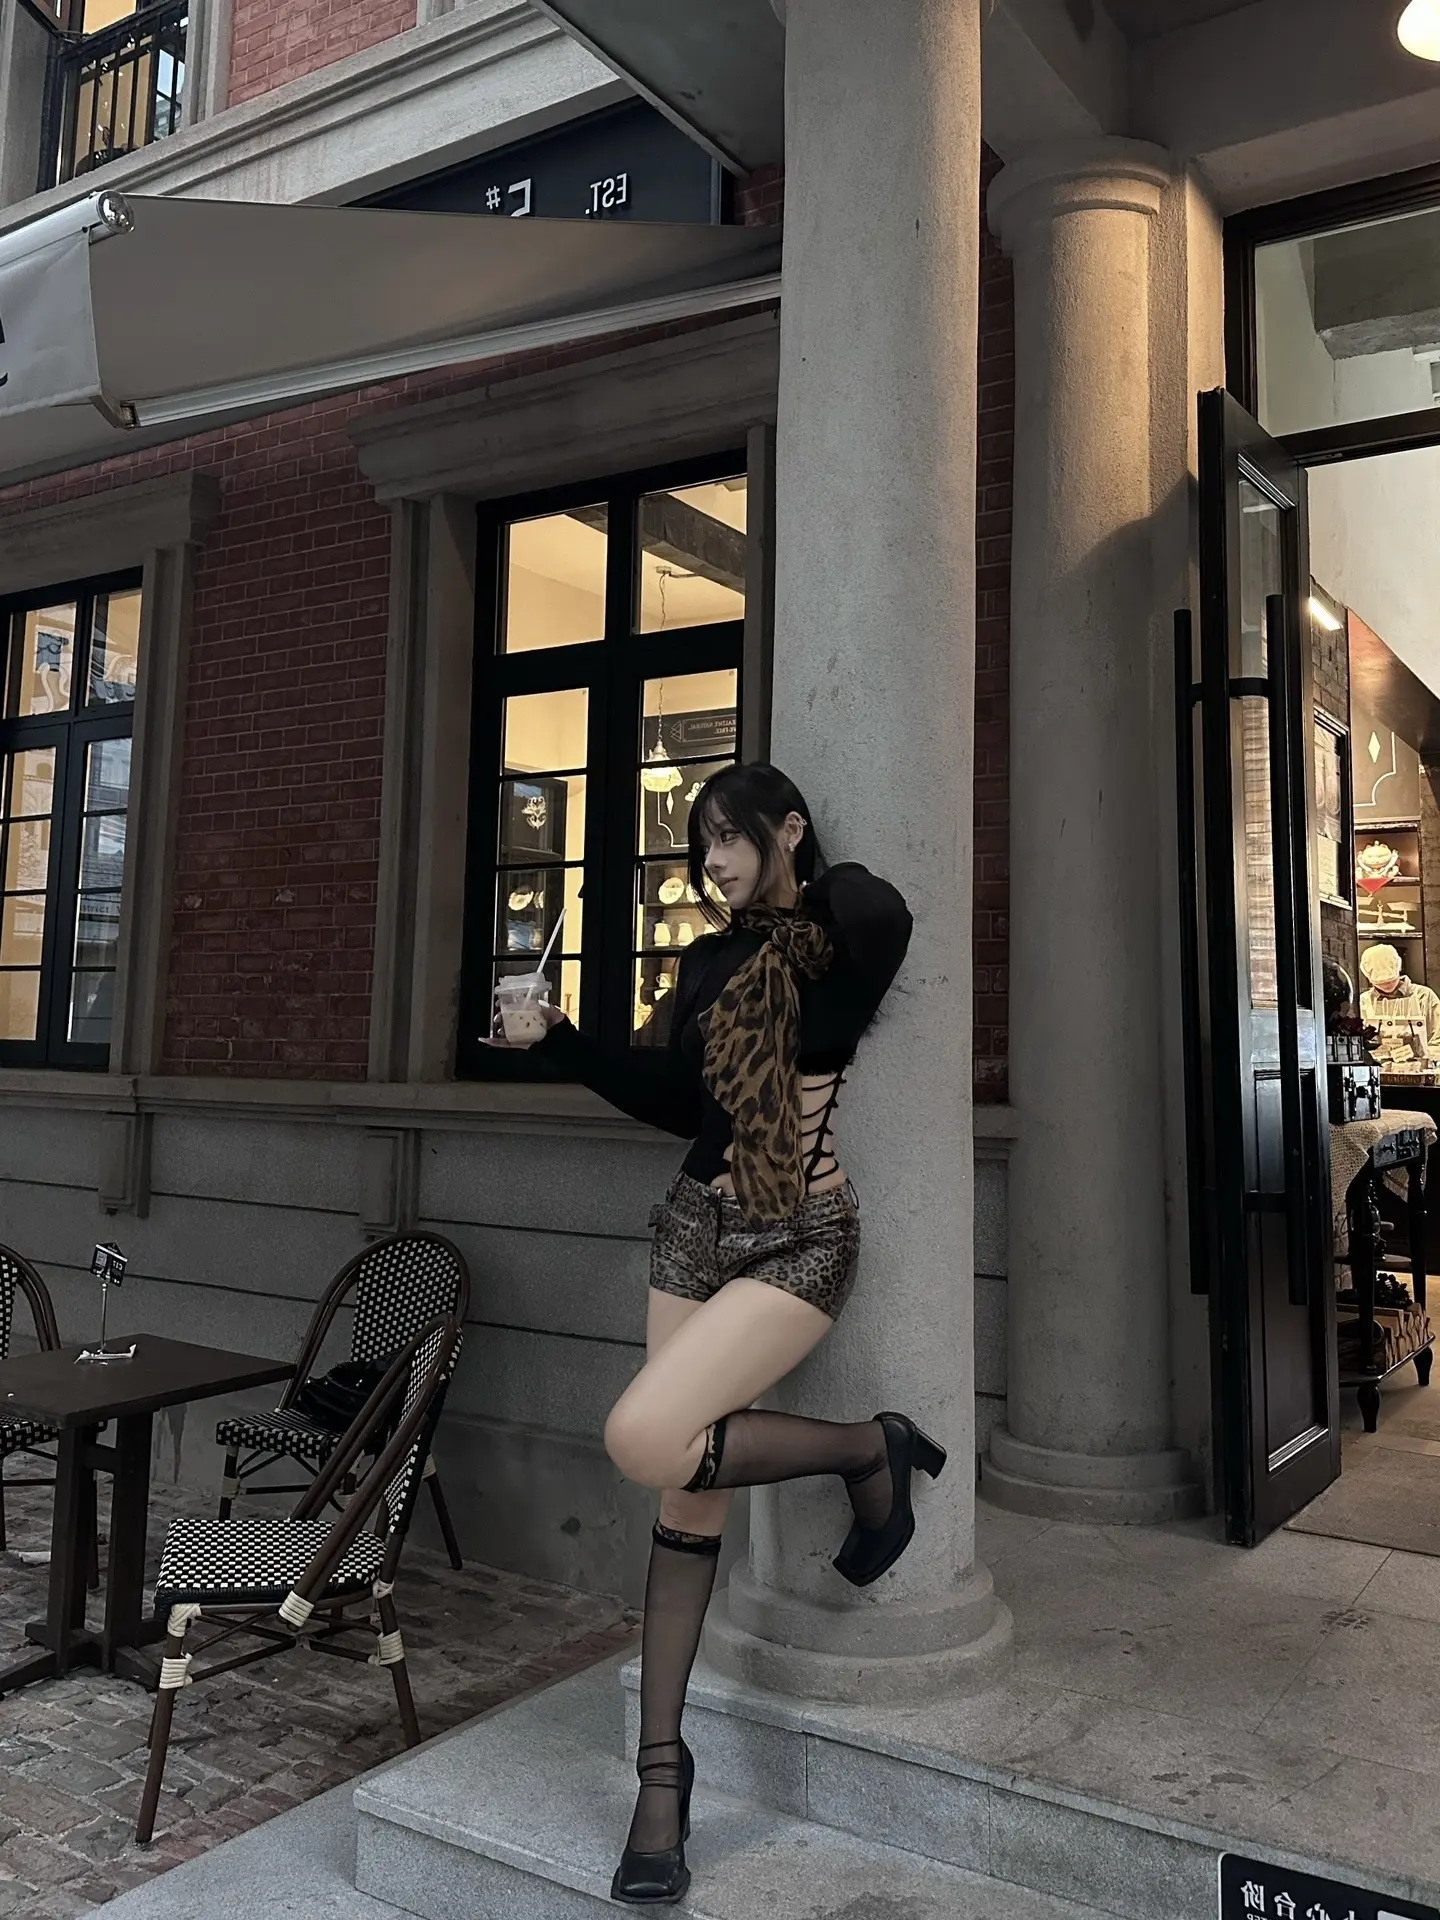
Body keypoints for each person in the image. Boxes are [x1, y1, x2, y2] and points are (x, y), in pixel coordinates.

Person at [488, 761, 942, 1908]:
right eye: (701, 846)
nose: (712, 863)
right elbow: (677, 1104)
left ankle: (866, 1448)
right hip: (696, 1229)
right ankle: (662, 1777)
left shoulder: (840, 941)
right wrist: (559, 1038)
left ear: (786, 830)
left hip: (801, 1238)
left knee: (644, 1436)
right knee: (682, 1493)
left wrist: (793, 884)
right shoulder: (704, 962)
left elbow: (881, 902)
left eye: (730, 838)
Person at [1358, 943, 1440, 1066]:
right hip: (1378, 1069)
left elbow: (1437, 1038)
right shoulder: (1364, 1001)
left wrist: (1429, 1062)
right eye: (1380, 983)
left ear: (1398, 969)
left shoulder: (1424, 996)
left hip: (1421, 1069)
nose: (1387, 985)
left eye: (1390, 980)